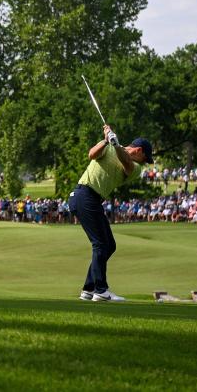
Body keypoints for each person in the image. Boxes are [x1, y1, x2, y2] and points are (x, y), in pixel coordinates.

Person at [69, 125, 152, 303]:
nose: (145, 162)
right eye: (146, 158)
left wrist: (115, 144)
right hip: (84, 195)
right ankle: (101, 290)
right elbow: (92, 154)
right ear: (139, 150)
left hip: (93, 199)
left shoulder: (136, 167)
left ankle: (88, 288)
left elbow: (127, 164)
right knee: (100, 244)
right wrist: (106, 140)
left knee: (109, 245)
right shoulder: (109, 147)